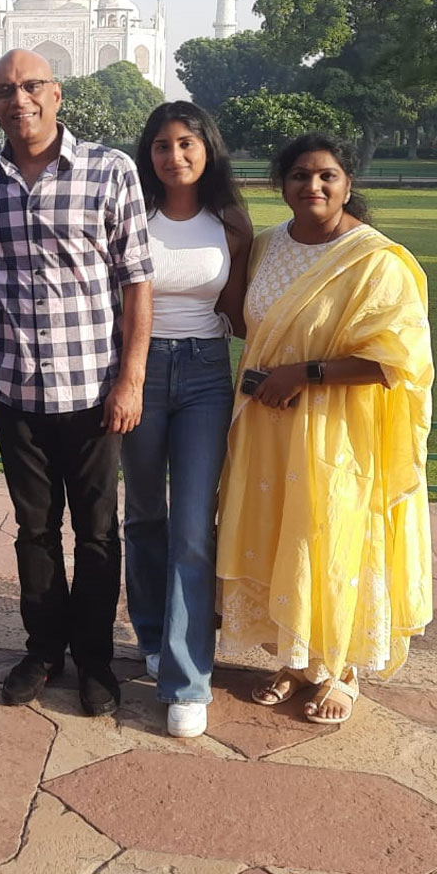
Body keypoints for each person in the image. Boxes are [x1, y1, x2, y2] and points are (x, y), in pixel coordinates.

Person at [0, 48, 153, 718]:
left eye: (32, 86)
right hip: (16, 384)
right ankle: (42, 650)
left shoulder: (108, 170)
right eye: (5, 89)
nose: (19, 99)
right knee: (34, 531)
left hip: (92, 388)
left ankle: (94, 659)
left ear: (56, 94)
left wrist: (131, 379)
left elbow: (136, 283)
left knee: (96, 530)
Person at [215, 132, 433, 725]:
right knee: (281, 534)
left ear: (348, 184)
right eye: (299, 176)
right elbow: (242, 323)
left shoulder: (375, 260)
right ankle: (294, 661)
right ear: (280, 185)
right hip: (267, 427)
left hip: (337, 430)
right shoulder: (265, 248)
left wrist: (304, 374)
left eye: (326, 176)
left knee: (328, 538)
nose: (312, 186)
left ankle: (341, 670)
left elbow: (395, 360)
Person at [122, 102, 251, 738]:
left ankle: (187, 677)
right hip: (137, 373)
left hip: (204, 375)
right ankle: (151, 634)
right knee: (144, 515)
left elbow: (242, 308)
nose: (175, 156)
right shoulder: (130, 214)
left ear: (208, 149)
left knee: (194, 525)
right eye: (162, 146)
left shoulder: (228, 220)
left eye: (187, 144)